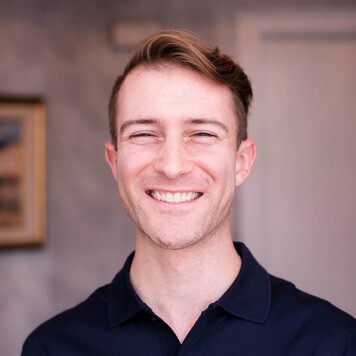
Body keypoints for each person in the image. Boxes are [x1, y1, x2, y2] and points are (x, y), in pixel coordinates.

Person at [22, 30, 355, 355]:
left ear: (241, 162)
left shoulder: (333, 342)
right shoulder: (52, 347)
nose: (172, 166)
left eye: (202, 134)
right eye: (144, 134)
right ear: (114, 161)